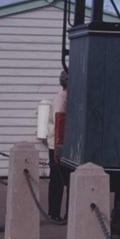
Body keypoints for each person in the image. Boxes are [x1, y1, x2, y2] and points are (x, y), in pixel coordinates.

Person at [46, 70, 68, 222]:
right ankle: (54, 213)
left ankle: (55, 212)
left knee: (58, 180)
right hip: (58, 144)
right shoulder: (63, 99)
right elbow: (60, 122)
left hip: (57, 143)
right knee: (58, 180)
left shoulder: (62, 97)